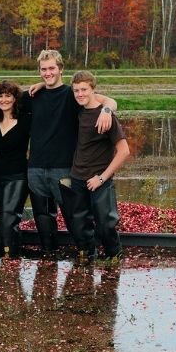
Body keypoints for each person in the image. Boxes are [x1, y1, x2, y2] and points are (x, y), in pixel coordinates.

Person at [22, 50, 117, 254]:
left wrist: (107, 111)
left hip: (64, 169)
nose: (47, 73)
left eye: (52, 68)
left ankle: (86, 255)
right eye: (44, 69)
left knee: (75, 216)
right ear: (39, 71)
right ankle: (50, 257)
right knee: (43, 217)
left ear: (60, 69)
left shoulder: (72, 94)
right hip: (36, 168)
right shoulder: (33, 95)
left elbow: (108, 101)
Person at [62, 70, 130, 261]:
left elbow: (124, 151)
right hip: (77, 178)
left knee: (105, 224)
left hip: (99, 180)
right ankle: (87, 257)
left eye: (84, 89)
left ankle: (114, 259)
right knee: (79, 223)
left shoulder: (106, 116)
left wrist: (101, 178)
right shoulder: (79, 112)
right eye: (76, 90)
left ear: (93, 90)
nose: (80, 94)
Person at [0, 80, 30, 258]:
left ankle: (10, 257)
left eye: (8, 96)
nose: (4, 100)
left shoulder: (25, 119)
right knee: (3, 219)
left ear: (15, 99)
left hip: (18, 176)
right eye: (0, 96)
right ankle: (13, 254)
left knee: (8, 217)